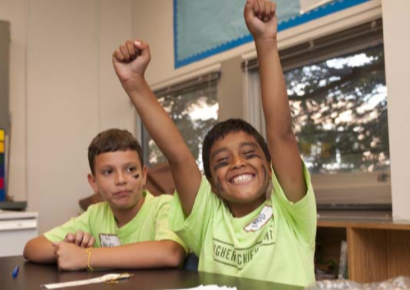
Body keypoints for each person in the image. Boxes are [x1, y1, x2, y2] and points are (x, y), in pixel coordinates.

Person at [112, 0, 316, 286]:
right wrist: (134, 81)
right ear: (210, 181)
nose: (238, 163)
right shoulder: (207, 217)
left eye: (249, 154)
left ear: (270, 167)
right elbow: (178, 155)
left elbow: (281, 133)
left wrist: (265, 41)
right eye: (222, 161)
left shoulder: (291, 211)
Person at [23, 129, 188, 271]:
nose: (121, 180)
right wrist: (67, 250)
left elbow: (170, 253)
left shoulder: (164, 206)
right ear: (93, 183)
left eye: (130, 169)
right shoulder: (95, 215)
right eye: (108, 172)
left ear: (144, 175)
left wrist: (85, 257)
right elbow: (32, 247)